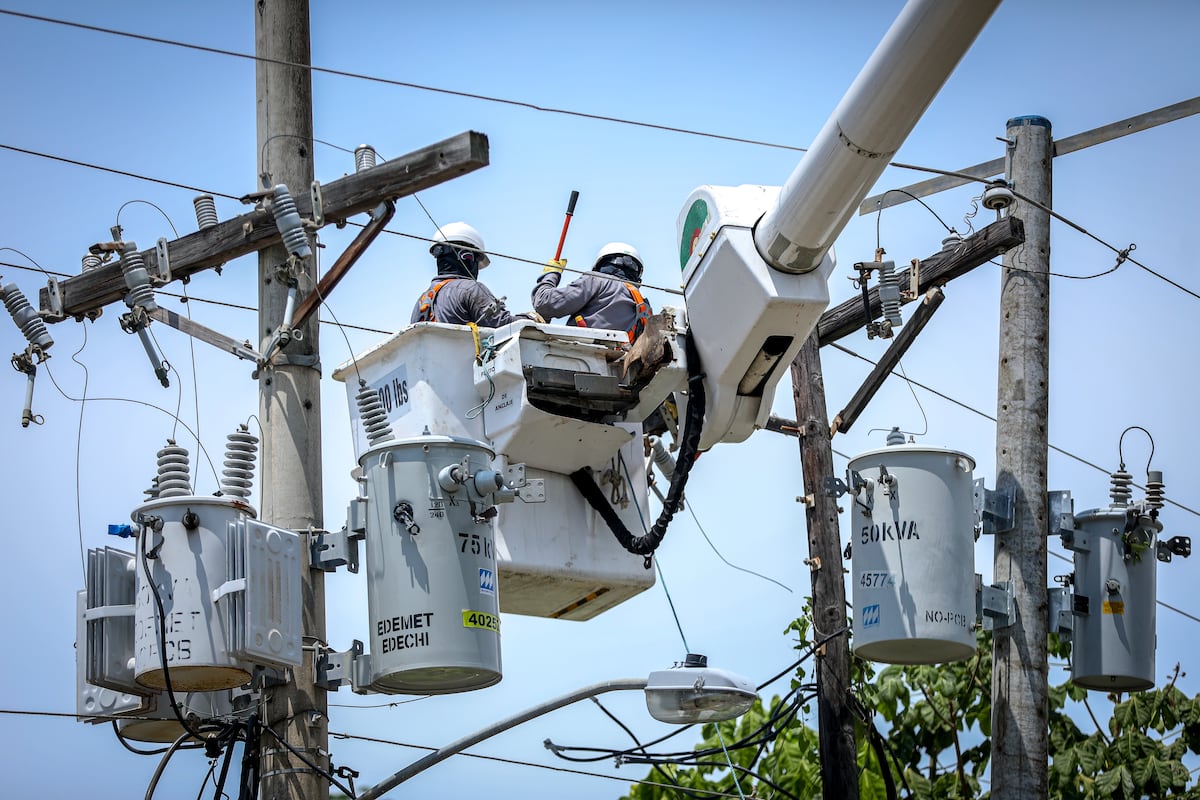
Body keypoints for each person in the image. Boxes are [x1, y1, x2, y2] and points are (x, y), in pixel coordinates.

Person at [531, 242, 651, 342]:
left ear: (601, 264)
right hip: (619, 366)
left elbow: (545, 303)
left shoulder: (596, 280)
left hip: (578, 358)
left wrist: (551, 274)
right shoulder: (643, 306)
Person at [410, 222, 515, 327]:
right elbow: (504, 324)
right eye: (477, 261)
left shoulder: (421, 302)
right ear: (468, 257)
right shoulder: (470, 289)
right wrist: (529, 317)